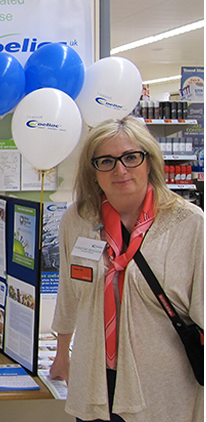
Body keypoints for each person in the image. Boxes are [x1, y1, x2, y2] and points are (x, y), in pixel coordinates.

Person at [50, 116, 203, 422]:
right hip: (94, 381)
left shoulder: (190, 223)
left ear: (149, 162)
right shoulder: (78, 221)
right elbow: (69, 294)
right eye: (106, 161)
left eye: (131, 157)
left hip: (162, 392)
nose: (120, 170)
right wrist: (62, 353)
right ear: (93, 172)